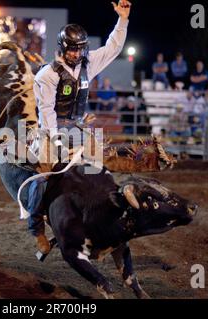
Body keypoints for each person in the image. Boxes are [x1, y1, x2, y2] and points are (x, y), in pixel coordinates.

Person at [31, 0, 132, 254]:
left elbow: (113, 48)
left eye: (80, 49)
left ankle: (94, 219)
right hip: (51, 129)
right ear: (63, 48)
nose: (77, 54)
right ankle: (36, 227)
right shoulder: (47, 75)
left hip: (78, 127)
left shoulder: (89, 64)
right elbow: (46, 111)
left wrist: (122, 20)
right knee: (43, 177)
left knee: (100, 171)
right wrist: (54, 140)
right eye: (73, 49)